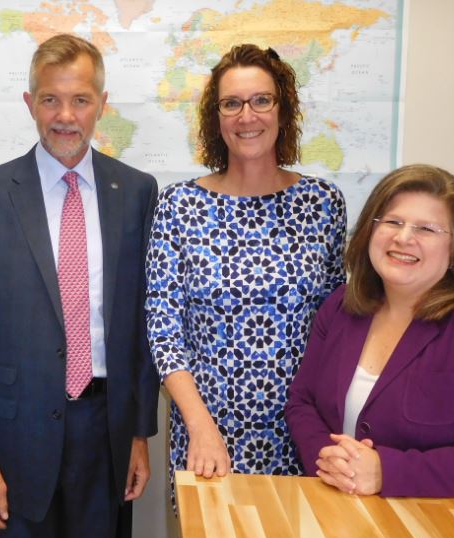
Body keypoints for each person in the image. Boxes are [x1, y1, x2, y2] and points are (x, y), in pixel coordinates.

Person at [0, 33, 160, 538]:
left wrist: (138, 435)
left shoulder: (137, 192)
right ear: (30, 103)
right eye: (50, 99)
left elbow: (141, 327)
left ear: (101, 104)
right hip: (14, 440)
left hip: (104, 432)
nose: (65, 116)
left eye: (80, 100)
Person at [145, 44, 346, 489]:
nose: (246, 116)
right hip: (207, 438)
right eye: (231, 104)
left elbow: (335, 324)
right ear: (216, 118)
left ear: (282, 109)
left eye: (261, 100)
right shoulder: (180, 205)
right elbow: (163, 331)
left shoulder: (322, 204)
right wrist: (199, 426)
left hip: (304, 434)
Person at [286, 164, 454, 497]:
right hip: (336, 509)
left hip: (434, 522)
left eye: (426, 229)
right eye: (393, 222)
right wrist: (330, 459)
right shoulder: (341, 307)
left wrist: (386, 471)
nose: (404, 238)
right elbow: (302, 402)